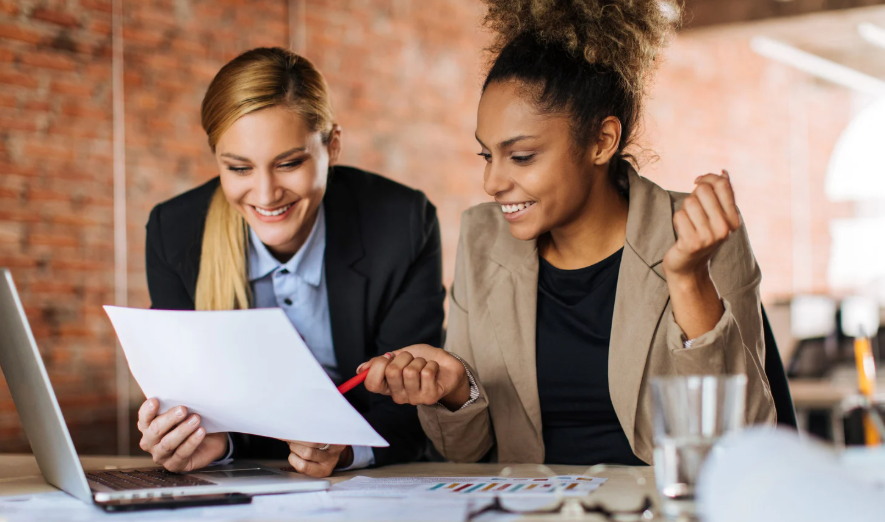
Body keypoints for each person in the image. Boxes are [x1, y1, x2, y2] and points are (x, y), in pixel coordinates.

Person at [359, 0, 775, 465]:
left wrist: (689, 279)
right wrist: (457, 391)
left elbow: (743, 443)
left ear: (602, 141)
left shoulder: (699, 235)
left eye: (520, 157)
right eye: (486, 156)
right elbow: (463, 453)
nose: (492, 182)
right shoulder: (483, 238)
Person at [136, 47, 445, 477]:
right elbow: (194, 403)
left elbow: (413, 406)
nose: (264, 195)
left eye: (289, 163)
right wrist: (200, 439)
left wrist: (346, 451)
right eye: (239, 168)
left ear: (332, 146)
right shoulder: (174, 232)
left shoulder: (402, 224)